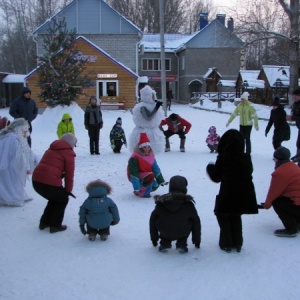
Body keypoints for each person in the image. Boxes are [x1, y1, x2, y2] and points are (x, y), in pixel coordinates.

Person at [206, 129, 258, 253]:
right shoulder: (246, 157)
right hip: (244, 192)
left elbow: (216, 177)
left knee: (222, 214)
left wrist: (210, 168)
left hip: (228, 191)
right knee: (235, 214)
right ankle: (237, 242)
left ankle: (227, 243)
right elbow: (248, 172)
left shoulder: (224, 157)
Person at [32, 133, 77, 233]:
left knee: (55, 198)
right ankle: (55, 225)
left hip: (36, 181)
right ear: (71, 144)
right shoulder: (68, 153)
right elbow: (70, 175)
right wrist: (68, 191)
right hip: (48, 182)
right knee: (62, 199)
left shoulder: (51, 148)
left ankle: (44, 222)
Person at [149, 175, 201, 253]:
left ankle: (165, 243)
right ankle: (182, 243)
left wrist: (154, 239)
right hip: (183, 232)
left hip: (164, 232)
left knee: (161, 220)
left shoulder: (162, 202)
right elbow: (196, 222)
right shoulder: (188, 204)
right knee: (189, 221)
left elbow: (152, 220)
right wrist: (197, 241)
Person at [263, 147, 300, 237]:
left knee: (277, 202)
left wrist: (267, 204)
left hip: (297, 203)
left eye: (274, 158)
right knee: (285, 200)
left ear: (278, 158)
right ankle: (297, 224)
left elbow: (274, 192)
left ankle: (291, 229)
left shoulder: (280, 172)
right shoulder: (294, 166)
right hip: (297, 201)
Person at [0, 118, 36, 206]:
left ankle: (18, 195)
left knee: (16, 180)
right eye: (24, 130)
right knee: (9, 180)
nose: (26, 133)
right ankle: (10, 197)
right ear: (18, 129)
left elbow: (26, 153)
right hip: (9, 165)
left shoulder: (18, 138)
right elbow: (10, 154)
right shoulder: (11, 138)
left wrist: (28, 165)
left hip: (15, 165)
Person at [127, 132, 166, 198]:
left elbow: (155, 168)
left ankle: (142, 189)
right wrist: (136, 187)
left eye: (148, 147)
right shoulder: (135, 157)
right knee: (150, 176)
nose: (147, 149)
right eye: (144, 147)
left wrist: (161, 180)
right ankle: (144, 194)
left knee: (155, 185)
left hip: (147, 174)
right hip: (137, 175)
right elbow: (134, 173)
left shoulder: (151, 156)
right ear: (140, 148)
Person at [129, 83, 164, 154]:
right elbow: (149, 117)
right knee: (144, 154)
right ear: (148, 96)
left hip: (153, 132)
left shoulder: (149, 105)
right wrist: (156, 107)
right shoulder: (142, 107)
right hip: (144, 134)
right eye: (153, 95)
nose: (154, 97)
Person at [286, 89, 300, 156]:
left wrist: (292, 118)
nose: (294, 97)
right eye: (293, 96)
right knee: (298, 144)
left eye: (296, 96)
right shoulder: (295, 104)